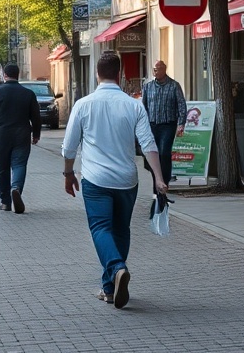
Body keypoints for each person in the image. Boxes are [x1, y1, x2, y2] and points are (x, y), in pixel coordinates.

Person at [62, 51, 167, 309]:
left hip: (96, 180)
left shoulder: (84, 104)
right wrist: (158, 177)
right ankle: (109, 288)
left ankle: (118, 268)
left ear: (97, 74)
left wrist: (68, 173)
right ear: (119, 74)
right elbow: (148, 143)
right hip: (126, 180)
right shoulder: (134, 105)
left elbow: (69, 146)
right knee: (121, 230)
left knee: (100, 228)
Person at [0, 63, 40, 214]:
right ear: (18, 75)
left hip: (1, 135)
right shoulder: (28, 94)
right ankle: (16, 188)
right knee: (19, 164)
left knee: (2, 168)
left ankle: (5, 202)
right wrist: (36, 134)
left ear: (4, 75)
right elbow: (36, 117)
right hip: (22, 135)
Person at [140, 60, 186, 183]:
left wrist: (181, 123)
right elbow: (143, 107)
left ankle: (164, 182)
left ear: (164, 70)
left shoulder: (174, 86)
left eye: (157, 69)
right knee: (151, 153)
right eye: (153, 69)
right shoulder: (148, 87)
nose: (154, 72)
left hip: (168, 125)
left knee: (164, 152)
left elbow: (181, 104)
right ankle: (154, 181)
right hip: (152, 125)